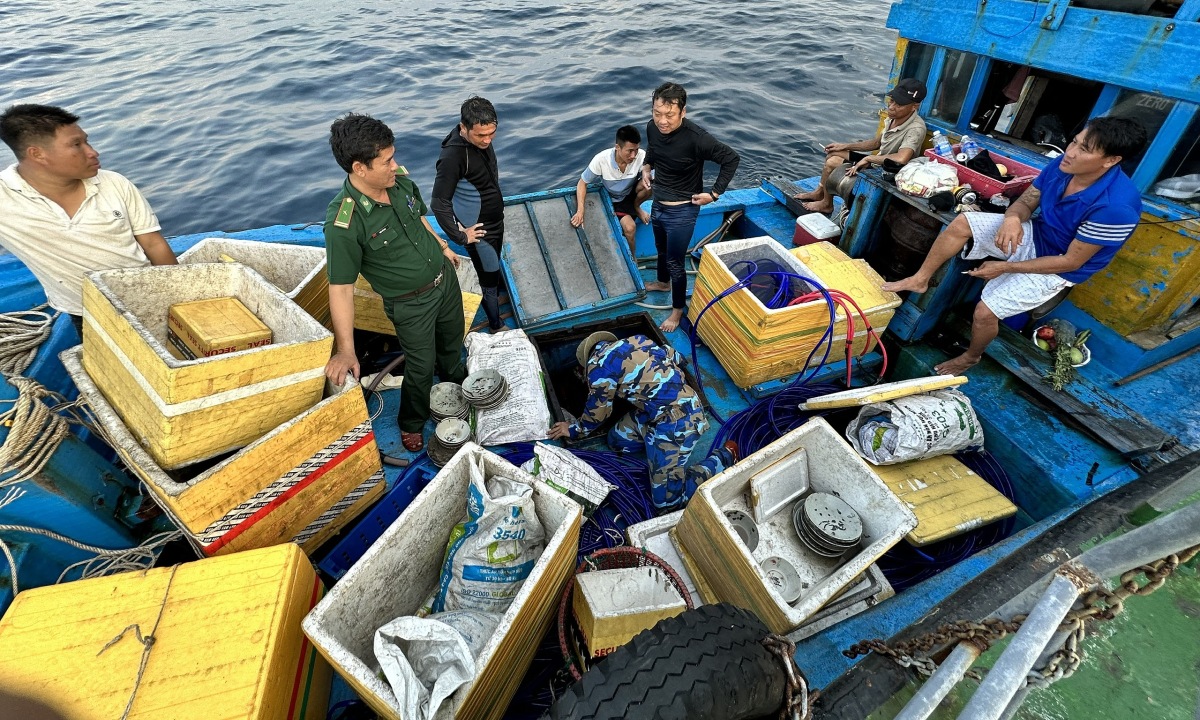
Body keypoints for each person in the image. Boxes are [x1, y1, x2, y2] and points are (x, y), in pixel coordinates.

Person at [881, 116, 1147, 375]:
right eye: (1074, 142)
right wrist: (1012, 218)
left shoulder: (1117, 208)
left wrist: (1005, 267)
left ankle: (971, 357)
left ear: (1111, 161)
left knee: (985, 312)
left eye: (1084, 149)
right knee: (963, 223)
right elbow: (1028, 200)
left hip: (1060, 268)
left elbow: (1071, 261)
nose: (1072, 152)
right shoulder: (1063, 166)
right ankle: (920, 279)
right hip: (1038, 235)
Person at [322, 113, 467, 452]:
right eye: (386, 160)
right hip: (410, 303)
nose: (395, 165)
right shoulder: (344, 222)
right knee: (419, 365)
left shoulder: (398, 181)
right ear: (360, 168)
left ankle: (456, 387)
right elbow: (341, 288)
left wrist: (443, 247)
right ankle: (411, 422)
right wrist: (346, 350)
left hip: (444, 283)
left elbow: (418, 217)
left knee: (451, 343)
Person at [0, 104, 177, 333]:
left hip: (149, 297)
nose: (93, 152)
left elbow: (153, 243)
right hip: (87, 313)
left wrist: (177, 297)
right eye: (76, 145)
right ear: (37, 154)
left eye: (87, 141)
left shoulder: (114, 183)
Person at [547, 332, 734, 510]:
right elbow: (677, 357)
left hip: (680, 422)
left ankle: (723, 457)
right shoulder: (639, 340)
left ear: (585, 363)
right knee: (617, 440)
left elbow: (599, 413)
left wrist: (572, 430)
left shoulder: (597, 367)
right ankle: (658, 451)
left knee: (667, 505)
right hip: (657, 411)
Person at [641, 83, 740, 333]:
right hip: (658, 204)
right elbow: (652, 150)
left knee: (675, 262)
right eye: (657, 113)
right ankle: (663, 284)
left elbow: (731, 158)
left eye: (670, 115)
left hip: (683, 210)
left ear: (683, 112)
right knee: (661, 250)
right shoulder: (652, 128)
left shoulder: (698, 139)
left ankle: (676, 312)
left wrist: (714, 194)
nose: (662, 121)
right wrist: (646, 167)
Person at [794, 78, 929, 214]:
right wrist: (845, 146)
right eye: (892, 100)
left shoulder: (916, 128)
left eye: (899, 104)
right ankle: (819, 193)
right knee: (833, 153)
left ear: (914, 106)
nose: (892, 107)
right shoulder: (893, 117)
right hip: (878, 163)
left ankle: (826, 204)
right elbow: (877, 143)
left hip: (887, 172)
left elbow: (901, 158)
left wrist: (868, 159)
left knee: (832, 162)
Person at [432, 96, 506, 332]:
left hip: (496, 220)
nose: (487, 140)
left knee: (493, 267)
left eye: (491, 133)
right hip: (480, 231)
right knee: (489, 279)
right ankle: (496, 325)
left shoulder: (481, 139)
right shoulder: (453, 156)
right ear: (463, 128)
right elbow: (438, 202)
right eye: (480, 135)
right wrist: (460, 236)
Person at [570, 125, 652, 257]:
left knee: (649, 184)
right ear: (618, 147)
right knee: (630, 228)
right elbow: (582, 183)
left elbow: (652, 174)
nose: (633, 155)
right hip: (615, 200)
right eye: (629, 151)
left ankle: (637, 207)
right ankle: (632, 258)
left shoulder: (641, 156)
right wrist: (580, 211)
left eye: (636, 150)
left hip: (631, 193)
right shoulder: (601, 160)